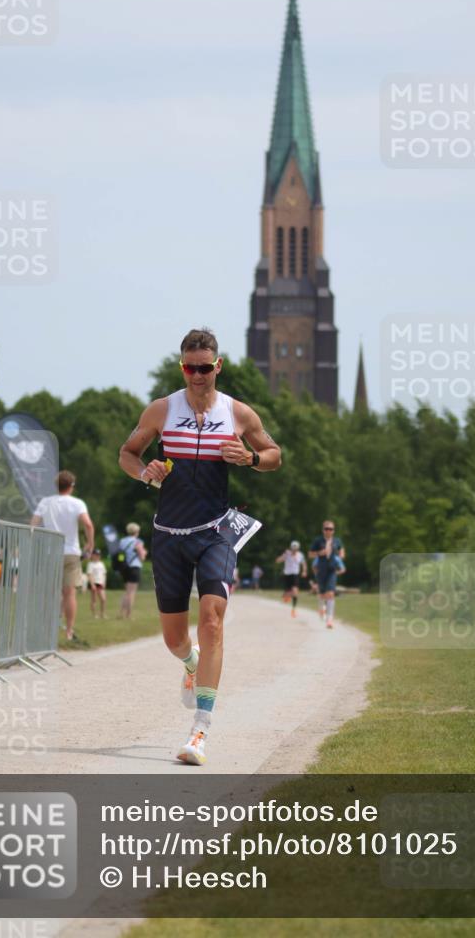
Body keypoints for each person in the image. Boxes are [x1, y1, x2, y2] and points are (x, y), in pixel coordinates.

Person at [119, 327, 281, 765]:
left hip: (216, 531)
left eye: (204, 368)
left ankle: (199, 733)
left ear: (218, 367)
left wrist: (249, 459)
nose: (196, 375)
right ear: (182, 366)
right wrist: (144, 472)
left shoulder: (238, 413)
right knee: (175, 639)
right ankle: (190, 662)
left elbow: (274, 455)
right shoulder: (161, 410)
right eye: (189, 367)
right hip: (169, 535)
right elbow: (127, 454)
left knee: (212, 620)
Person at [30, 470, 94, 641]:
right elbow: (88, 524)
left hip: (50, 551)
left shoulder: (45, 502)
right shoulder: (77, 503)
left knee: (49, 593)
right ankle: (69, 631)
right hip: (71, 552)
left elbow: (33, 524)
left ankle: (46, 629)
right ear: (71, 486)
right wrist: (90, 544)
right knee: (69, 593)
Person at [309, 520, 345, 629]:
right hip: (321, 570)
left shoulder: (337, 541)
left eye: (331, 529)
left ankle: (329, 620)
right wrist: (320, 553)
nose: (328, 531)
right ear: (323, 530)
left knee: (330, 594)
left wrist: (340, 556)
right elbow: (310, 554)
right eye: (326, 529)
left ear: (333, 531)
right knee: (321, 594)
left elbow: (342, 551)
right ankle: (321, 608)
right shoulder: (318, 541)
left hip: (332, 570)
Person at [118, 522, 147, 618]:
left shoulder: (122, 541)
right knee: (131, 592)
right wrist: (144, 553)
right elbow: (142, 557)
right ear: (137, 531)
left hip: (124, 567)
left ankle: (121, 613)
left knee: (127, 591)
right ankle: (128, 615)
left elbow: (120, 554)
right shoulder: (138, 541)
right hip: (134, 567)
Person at [276, 540, 307, 617]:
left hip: (295, 575)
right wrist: (283, 556)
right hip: (287, 575)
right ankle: (286, 596)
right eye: (293, 548)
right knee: (286, 595)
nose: (294, 550)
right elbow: (277, 561)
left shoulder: (300, 555)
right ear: (291, 548)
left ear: (298, 548)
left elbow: (304, 564)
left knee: (295, 591)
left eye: (296, 548)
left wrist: (304, 571)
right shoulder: (287, 554)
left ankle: (293, 609)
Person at [86, 549, 107, 619]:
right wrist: (92, 584)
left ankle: (102, 614)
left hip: (100, 583)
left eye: (98, 555)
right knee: (94, 600)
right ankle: (94, 615)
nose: (97, 556)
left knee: (103, 599)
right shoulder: (91, 564)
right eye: (96, 555)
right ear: (93, 555)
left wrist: (104, 582)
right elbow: (89, 575)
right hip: (94, 583)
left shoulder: (101, 564)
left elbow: (104, 574)